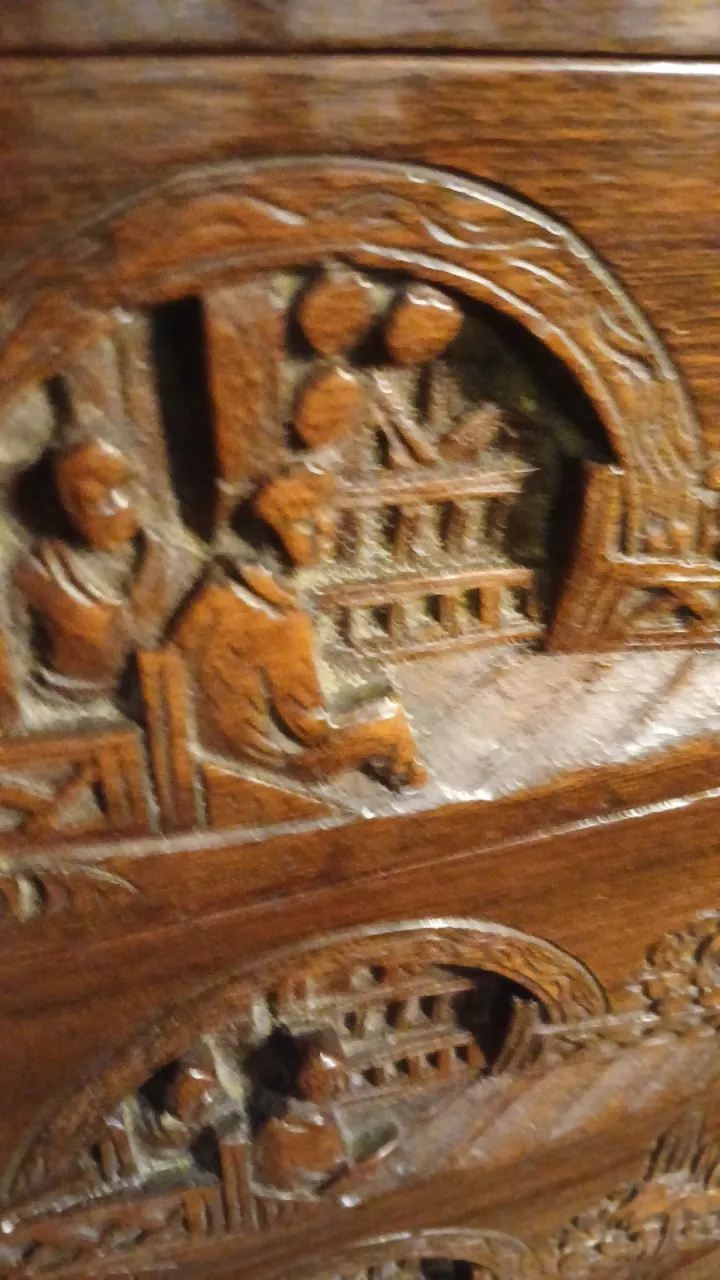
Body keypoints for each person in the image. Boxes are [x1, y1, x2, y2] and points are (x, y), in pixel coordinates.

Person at [16, 439, 198, 704]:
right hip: (61, 701)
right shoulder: (38, 574)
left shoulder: (175, 564)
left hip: (162, 704)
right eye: (89, 500)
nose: (109, 508)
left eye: (120, 490)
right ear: (64, 506)